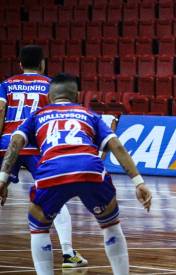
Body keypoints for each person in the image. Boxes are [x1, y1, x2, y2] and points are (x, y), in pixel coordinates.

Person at [0, 73, 152, 275]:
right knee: (111, 226)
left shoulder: (37, 115)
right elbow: (116, 145)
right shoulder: (88, 114)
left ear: (48, 96)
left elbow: (15, 142)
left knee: (39, 227)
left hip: (51, 172)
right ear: (78, 95)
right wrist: (138, 182)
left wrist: (2, 179)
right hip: (89, 168)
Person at [0, 45, 87, 267]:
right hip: (38, 146)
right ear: (42, 63)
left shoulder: (6, 85)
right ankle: (68, 254)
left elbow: (0, 111)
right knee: (56, 196)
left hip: (7, 143)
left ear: (19, 64)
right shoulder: (50, 85)